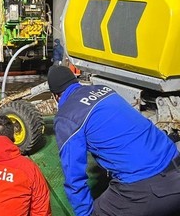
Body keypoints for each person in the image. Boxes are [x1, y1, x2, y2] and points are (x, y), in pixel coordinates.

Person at [47, 65, 180, 216]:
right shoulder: (104, 90)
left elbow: (74, 179)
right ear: (74, 81)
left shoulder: (66, 117)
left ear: (56, 96)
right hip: (175, 163)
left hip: (147, 188)